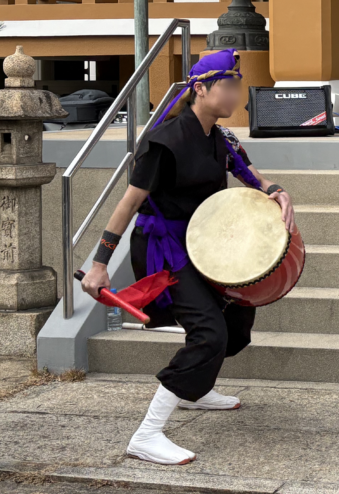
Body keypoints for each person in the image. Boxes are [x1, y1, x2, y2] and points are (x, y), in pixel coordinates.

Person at [81, 50, 295, 466]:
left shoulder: (221, 137)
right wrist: (101, 263)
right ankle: (147, 435)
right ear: (200, 89)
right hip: (166, 249)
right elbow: (127, 205)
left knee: (237, 320)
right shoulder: (164, 141)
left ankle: (194, 390)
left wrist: (276, 190)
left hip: (208, 244)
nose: (237, 95)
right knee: (208, 332)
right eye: (229, 86)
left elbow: (250, 175)